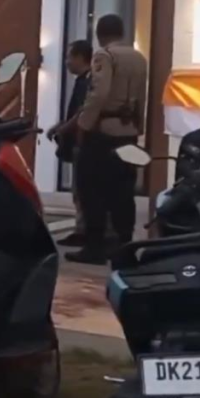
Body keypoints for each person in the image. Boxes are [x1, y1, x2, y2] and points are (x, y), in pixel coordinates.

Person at [65, 15, 148, 265]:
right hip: (128, 130)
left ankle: (94, 247)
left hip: (103, 132)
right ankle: (125, 245)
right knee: (123, 191)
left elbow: (98, 95)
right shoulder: (139, 58)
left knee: (92, 191)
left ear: (100, 34)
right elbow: (142, 96)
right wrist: (138, 126)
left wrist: (83, 125)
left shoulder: (104, 56)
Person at [47, 40, 96, 247]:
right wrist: (60, 126)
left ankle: (83, 230)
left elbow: (81, 112)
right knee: (79, 189)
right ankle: (81, 227)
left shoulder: (87, 82)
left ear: (80, 57)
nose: (66, 62)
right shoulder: (82, 81)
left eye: (69, 57)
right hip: (77, 141)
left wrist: (64, 128)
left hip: (82, 142)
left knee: (82, 189)